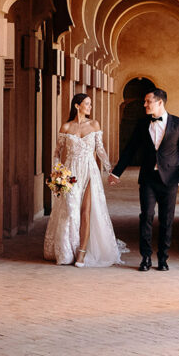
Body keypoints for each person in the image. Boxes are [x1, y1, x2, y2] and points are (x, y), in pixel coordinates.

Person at [107, 88, 179, 272]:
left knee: (167, 219)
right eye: (145, 102)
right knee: (145, 217)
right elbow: (130, 149)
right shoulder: (142, 124)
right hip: (148, 178)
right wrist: (116, 172)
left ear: (160, 102)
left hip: (170, 179)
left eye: (148, 102)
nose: (144, 104)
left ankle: (163, 258)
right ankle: (145, 258)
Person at [44, 93, 127, 267]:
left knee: (85, 212)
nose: (89, 107)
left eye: (90, 104)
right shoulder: (66, 127)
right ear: (77, 106)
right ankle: (67, 251)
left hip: (90, 171)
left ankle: (81, 253)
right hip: (70, 173)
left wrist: (109, 169)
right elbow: (57, 153)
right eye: (87, 104)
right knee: (70, 211)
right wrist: (58, 174)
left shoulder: (94, 124)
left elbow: (100, 149)